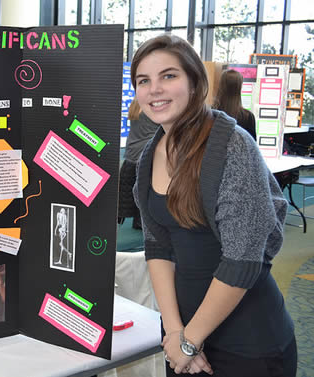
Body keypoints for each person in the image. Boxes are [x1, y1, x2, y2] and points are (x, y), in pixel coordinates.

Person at [131, 34, 297, 377]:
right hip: (183, 336)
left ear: (194, 82)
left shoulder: (232, 146)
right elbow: (157, 247)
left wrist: (190, 340)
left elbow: (242, 260)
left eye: (168, 76)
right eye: (144, 81)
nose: (155, 89)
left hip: (247, 342)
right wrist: (175, 332)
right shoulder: (151, 154)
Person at [118, 98, 159, 229]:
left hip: (131, 153)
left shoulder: (135, 105)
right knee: (144, 192)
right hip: (146, 154)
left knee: (136, 189)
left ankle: (137, 222)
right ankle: (140, 223)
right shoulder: (151, 108)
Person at [213, 69, 256, 140]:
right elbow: (252, 147)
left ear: (221, 86)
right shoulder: (248, 117)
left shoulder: (212, 113)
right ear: (239, 88)